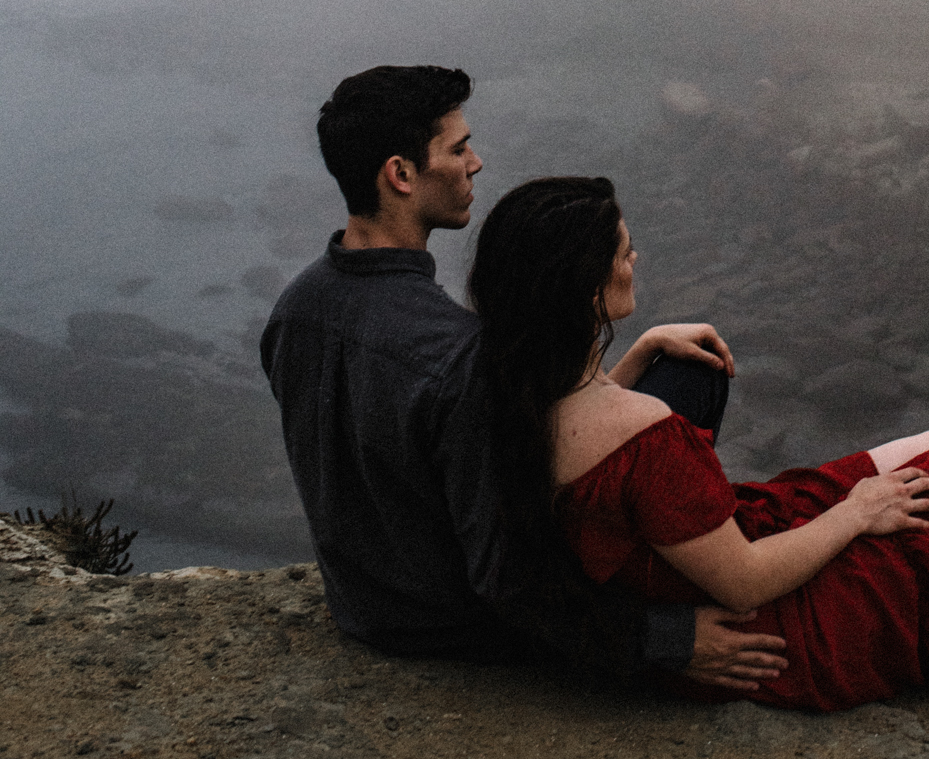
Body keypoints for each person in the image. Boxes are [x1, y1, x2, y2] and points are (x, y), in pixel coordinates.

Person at [469, 175, 929, 713]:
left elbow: (597, 454)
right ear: (580, 287)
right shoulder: (642, 434)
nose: (636, 260)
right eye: (624, 253)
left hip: (675, 574)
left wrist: (633, 361)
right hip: (759, 634)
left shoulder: (512, 391)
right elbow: (745, 583)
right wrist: (857, 511)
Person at [260, 64, 786, 692]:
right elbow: (508, 577)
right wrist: (670, 641)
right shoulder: (454, 353)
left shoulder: (296, 309)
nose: (476, 163)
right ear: (400, 175)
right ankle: (693, 568)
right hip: (460, 629)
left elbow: (506, 445)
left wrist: (636, 355)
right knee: (693, 384)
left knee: (671, 372)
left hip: (365, 605)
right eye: (457, 150)